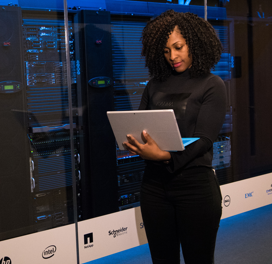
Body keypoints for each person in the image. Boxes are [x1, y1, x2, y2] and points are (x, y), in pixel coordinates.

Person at [123, 10, 226, 264]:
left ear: (194, 43)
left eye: (178, 47)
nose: (172, 56)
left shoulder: (212, 85)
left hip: (196, 189)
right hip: (154, 188)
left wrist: (166, 156)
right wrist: (137, 143)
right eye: (166, 50)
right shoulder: (153, 85)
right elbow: (141, 126)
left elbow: (204, 139)